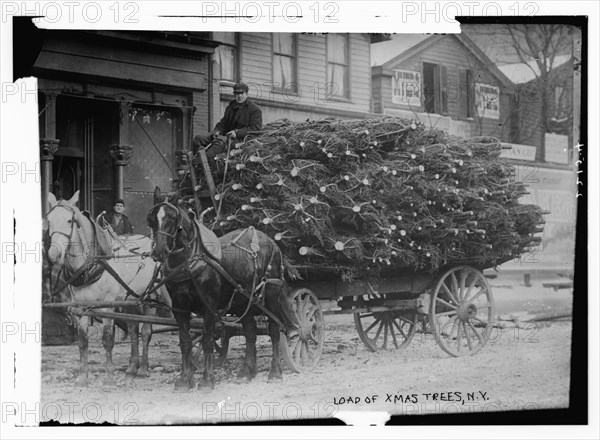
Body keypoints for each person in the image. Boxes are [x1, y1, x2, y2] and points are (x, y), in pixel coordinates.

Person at [192, 82, 263, 161]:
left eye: (241, 93)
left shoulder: (254, 109)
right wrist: (217, 131)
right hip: (225, 137)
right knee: (198, 138)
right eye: (237, 93)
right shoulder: (231, 107)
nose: (239, 96)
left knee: (219, 143)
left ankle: (204, 162)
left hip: (241, 140)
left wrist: (237, 132)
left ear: (246, 94)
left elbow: (255, 129)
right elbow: (223, 123)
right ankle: (193, 160)